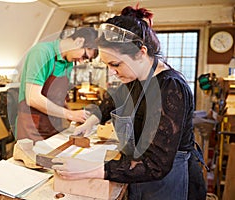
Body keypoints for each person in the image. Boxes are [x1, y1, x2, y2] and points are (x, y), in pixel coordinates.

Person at [52, 5, 207, 200]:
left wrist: (90, 171)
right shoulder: (135, 78)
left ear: (141, 52)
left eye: (116, 64)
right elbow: (111, 101)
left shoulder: (170, 89)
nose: (112, 72)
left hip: (168, 182)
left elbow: (157, 164)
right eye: (107, 65)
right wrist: (89, 123)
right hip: (137, 173)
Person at [16, 27, 98, 143]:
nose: (81, 61)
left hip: (52, 126)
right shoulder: (42, 53)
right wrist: (69, 114)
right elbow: (32, 98)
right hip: (32, 126)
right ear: (79, 41)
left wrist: (76, 117)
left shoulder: (68, 63)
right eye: (84, 56)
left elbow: (58, 97)